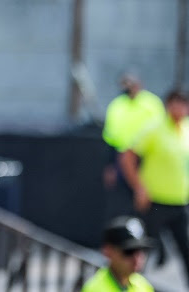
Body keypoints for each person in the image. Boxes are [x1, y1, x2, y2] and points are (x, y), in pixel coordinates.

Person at [119, 89, 189, 286]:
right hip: (155, 203)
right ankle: (130, 287)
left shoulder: (186, 130)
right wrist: (139, 188)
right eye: (176, 103)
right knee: (141, 253)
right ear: (168, 104)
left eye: (184, 104)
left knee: (185, 251)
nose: (181, 109)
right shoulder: (154, 128)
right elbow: (127, 157)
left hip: (180, 203)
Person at [101, 73, 165, 221]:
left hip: (145, 158)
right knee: (121, 201)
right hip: (123, 158)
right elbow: (111, 138)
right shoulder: (117, 105)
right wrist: (110, 164)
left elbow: (161, 131)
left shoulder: (151, 103)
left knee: (145, 198)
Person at [81, 216, 154, 292]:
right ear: (108, 251)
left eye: (141, 250)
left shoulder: (144, 286)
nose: (137, 258)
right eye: (129, 251)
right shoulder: (94, 289)